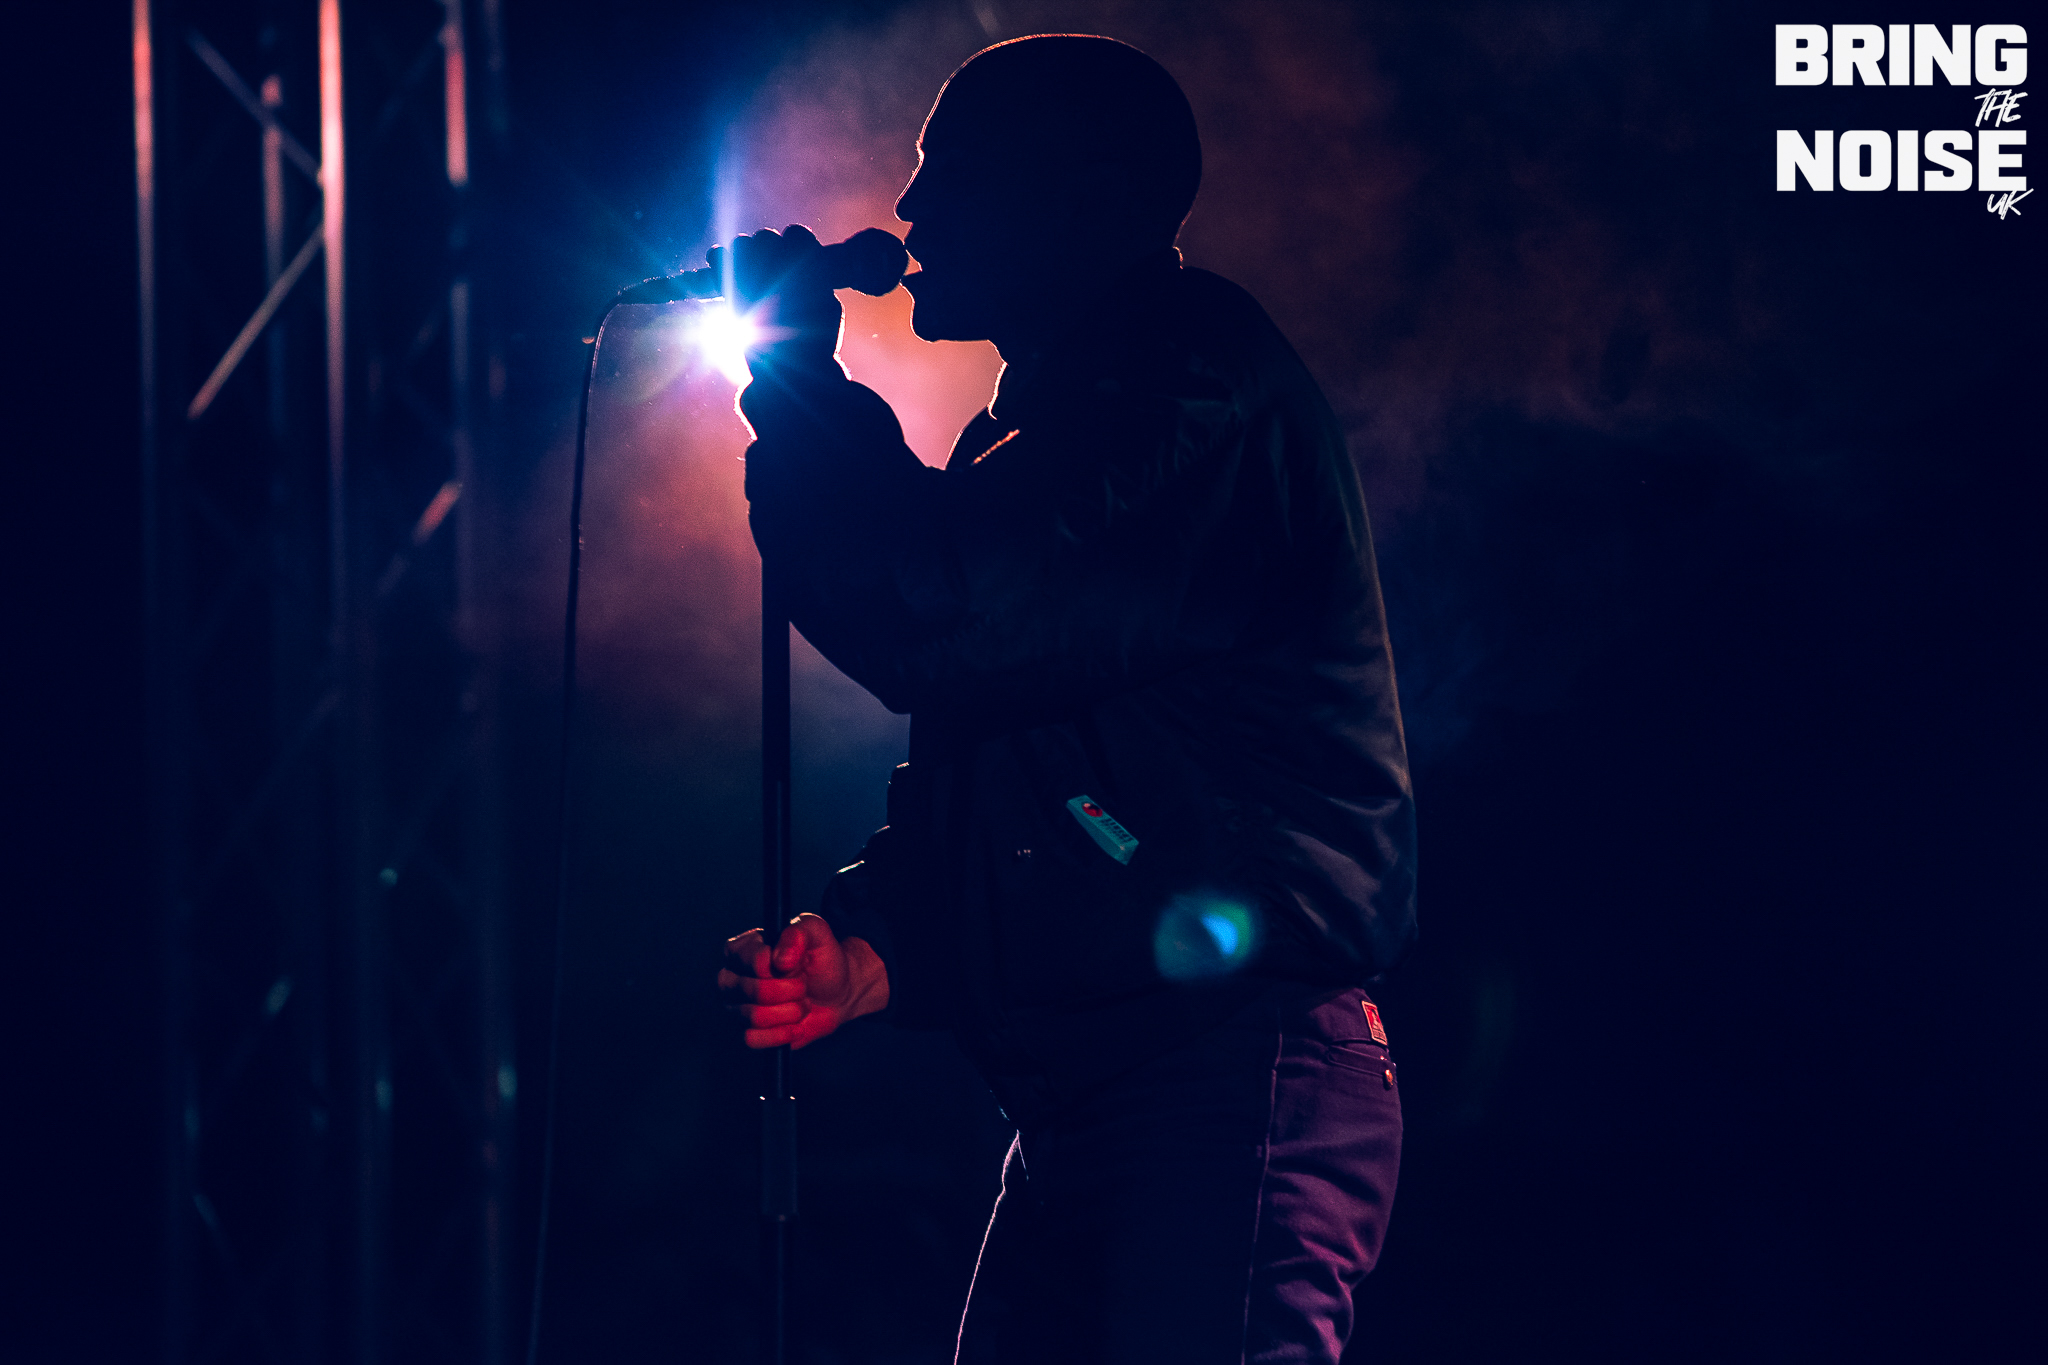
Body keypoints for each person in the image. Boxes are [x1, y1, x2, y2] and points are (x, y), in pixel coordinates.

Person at [714, 34, 1415, 1365]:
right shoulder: (1072, 422)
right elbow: (1046, 763)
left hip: (1219, 1072)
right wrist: (876, 944)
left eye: (950, 171)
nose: (910, 209)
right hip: (1111, 1094)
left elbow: (942, 617)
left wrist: (798, 380)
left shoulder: (1189, 390)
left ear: (1070, 195)